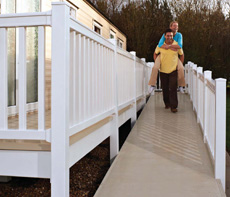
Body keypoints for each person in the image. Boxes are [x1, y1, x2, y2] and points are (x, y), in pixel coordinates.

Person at [149, 21, 185, 93]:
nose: (176, 27)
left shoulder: (179, 35)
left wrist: (169, 46)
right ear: (170, 27)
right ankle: (152, 85)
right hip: (162, 55)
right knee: (155, 67)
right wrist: (158, 62)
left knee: (181, 68)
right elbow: (160, 45)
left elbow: (180, 46)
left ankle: (181, 86)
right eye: (174, 26)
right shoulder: (164, 35)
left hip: (174, 56)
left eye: (177, 26)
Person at [154, 29, 184, 113]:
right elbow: (155, 53)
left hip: (173, 70)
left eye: (171, 35)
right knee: (165, 88)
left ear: (172, 36)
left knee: (173, 87)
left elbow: (181, 55)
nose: (169, 37)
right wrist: (157, 63)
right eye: (168, 35)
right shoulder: (161, 45)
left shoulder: (176, 45)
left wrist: (180, 64)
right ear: (165, 36)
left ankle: (174, 106)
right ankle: (167, 103)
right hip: (163, 70)